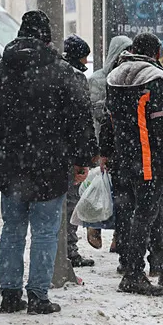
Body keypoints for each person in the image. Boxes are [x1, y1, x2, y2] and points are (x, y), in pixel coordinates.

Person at [0, 10, 96, 314]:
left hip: (10, 166)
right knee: (45, 231)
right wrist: (83, 158)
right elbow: (80, 119)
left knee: (12, 228)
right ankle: (38, 296)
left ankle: (9, 294)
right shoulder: (63, 73)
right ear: (47, 37)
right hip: (50, 166)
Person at [100, 32, 163, 295]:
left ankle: (158, 267)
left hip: (123, 159)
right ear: (157, 53)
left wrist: (106, 152)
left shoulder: (114, 78)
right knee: (147, 214)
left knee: (136, 212)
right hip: (149, 160)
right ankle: (135, 273)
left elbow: (108, 120)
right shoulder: (157, 80)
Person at [86, 35, 131, 250]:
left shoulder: (129, 76)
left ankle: (118, 237)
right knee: (101, 188)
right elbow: (95, 109)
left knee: (119, 194)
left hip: (119, 144)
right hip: (102, 141)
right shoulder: (98, 79)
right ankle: (94, 226)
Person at [58, 34, 96, 268]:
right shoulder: (76, 78)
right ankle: (68, 250)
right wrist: (87, 152)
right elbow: (84, 120)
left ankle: (60, 248)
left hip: (52, 150)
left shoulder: (54, 74)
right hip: (70, 152)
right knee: (71, 201)